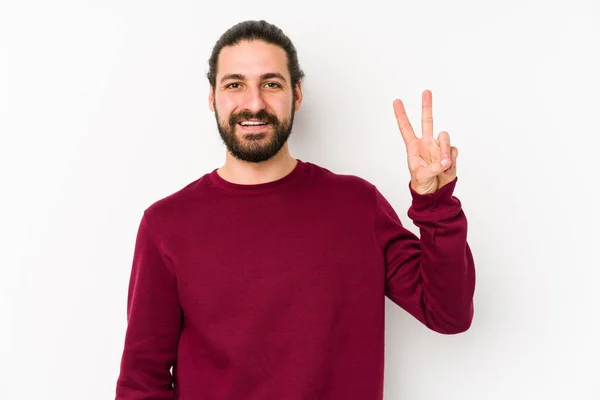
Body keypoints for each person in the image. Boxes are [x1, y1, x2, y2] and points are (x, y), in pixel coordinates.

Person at [114, 19, 476, 400]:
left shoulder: (357, 206)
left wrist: (435, 203)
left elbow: (448, 314)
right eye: (234, 84)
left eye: (271, 84)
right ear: (212, 96)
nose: (253, 103)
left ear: (297, 94)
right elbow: (142, 382)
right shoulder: (167, 224)